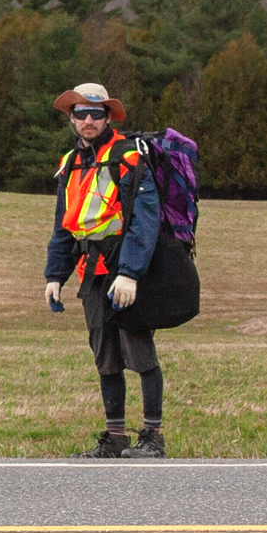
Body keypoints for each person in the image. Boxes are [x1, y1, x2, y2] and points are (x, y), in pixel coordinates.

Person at [44, 83, 166, 458]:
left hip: (123, 267)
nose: (88, 120)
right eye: (80, 113)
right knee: (105, 353)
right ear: (72, 119)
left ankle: (152, 437)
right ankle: (115, 437)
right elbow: (64, 225)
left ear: (108, 117)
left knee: (139, 350)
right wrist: (54, 275)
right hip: (91, 270)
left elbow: (146, 220)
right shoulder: (70, 163)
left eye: (96, 113)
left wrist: (130, 273)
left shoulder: (129, 157)